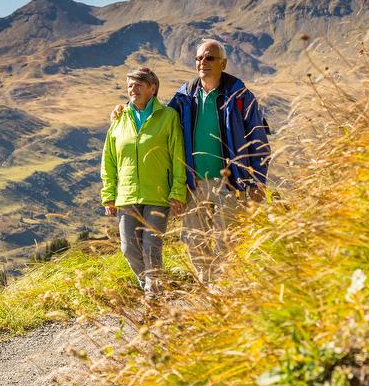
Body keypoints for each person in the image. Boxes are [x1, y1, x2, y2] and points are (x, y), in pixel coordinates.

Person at [112, 40, 271, 282]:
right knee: (195, 239)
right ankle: (207, 285)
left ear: (223, 63)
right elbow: (157, 116)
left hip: (231, 182)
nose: (202, 62)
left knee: (228, 239)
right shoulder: (185, 96)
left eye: (209, 58)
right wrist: (125, 108)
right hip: (194, 184)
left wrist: (258, 181)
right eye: (198, 58)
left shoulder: (240, 96)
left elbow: (259, 140)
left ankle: (222, 286)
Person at [101, 67, 186, 295]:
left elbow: (178, 157)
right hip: (126, 196)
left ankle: (154, 295)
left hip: (158, 194)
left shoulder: (168, 117)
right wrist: (108, 194)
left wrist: (177, 191)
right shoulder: (119, 118)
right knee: (129, 248)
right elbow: (108, 160)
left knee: (151, 247)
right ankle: (150, 285)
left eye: (138, 85)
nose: (133, 89)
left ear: (152, 88)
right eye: (130, 85)